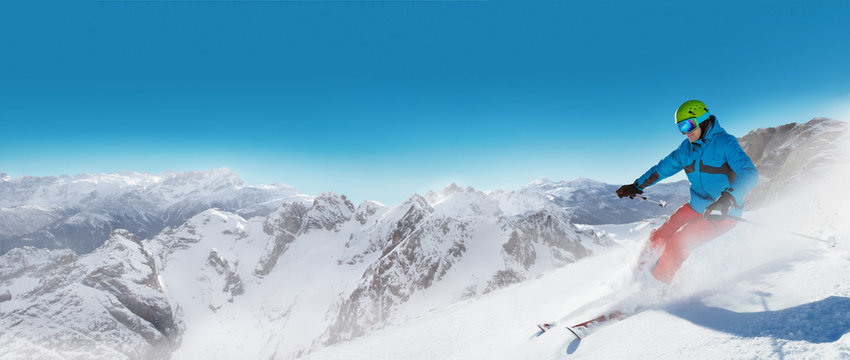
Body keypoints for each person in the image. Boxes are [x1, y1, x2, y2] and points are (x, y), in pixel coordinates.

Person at [615, 100, 759, 284]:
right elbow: (662, 168)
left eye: (688, 125)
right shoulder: (686, 149)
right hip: (696, 206)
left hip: (724, 212)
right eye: (680, 128)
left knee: (678, 242)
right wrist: (637, 185)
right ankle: (635, 280)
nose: (685, 132)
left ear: (702, 119)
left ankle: (655, 289)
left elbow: (750, 174)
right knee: (658, 236)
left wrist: (728, 199)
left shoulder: (725, 143)